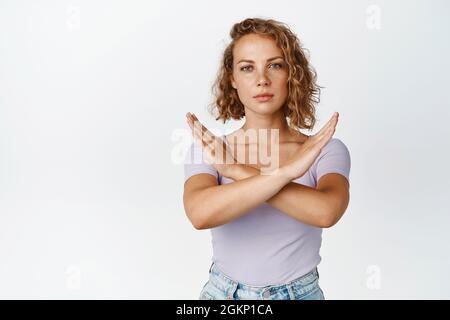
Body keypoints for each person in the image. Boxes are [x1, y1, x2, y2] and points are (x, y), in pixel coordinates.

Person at [183, 17, 351, 300]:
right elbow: (199, 214)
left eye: (275, 65)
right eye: (247, 68)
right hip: (224, 295)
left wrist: (236, 170)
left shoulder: (324, 149)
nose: (262, 79)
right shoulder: (211, 148)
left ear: (292, 74)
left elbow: (327, 212)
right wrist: (285, 173)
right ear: (232, 79)